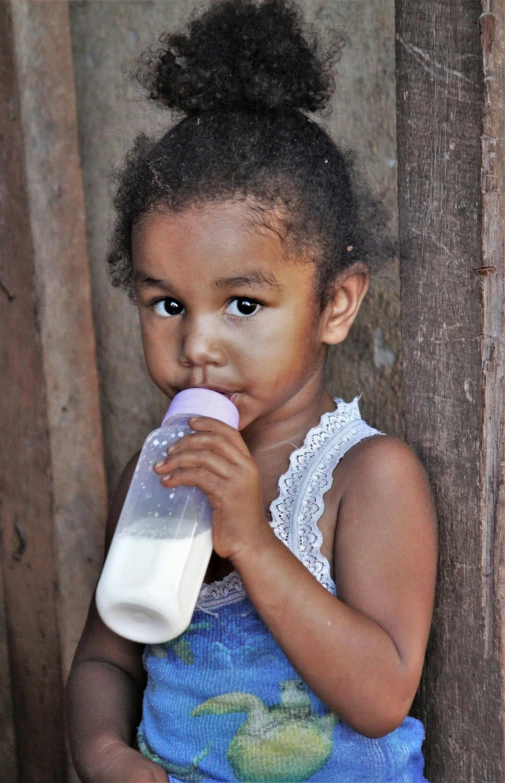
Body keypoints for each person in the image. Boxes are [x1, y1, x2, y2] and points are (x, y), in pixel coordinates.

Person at [66, 0, 437, 780]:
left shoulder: (368, 478)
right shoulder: (159, 470)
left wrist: (252, 541)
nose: (197, 342)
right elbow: (106, 658)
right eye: (167, 303)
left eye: (243, 304)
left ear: (335, 304)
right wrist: (101, 750)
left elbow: (381, 694)